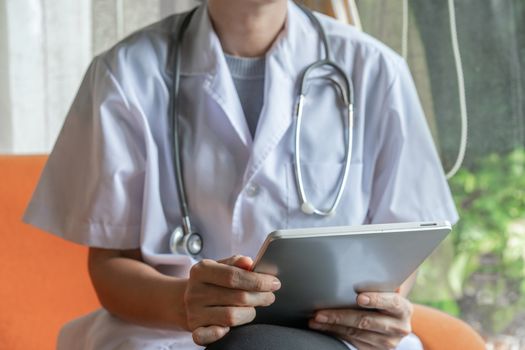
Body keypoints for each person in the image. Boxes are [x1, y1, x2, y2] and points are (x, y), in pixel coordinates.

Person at [23, 0, 458, 349]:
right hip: (172, 333)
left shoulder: (376, 71)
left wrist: (377, 311)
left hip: (330, 335)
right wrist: (186, 303)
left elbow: (399, 246)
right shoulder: (124, 74)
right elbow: (110, 265)